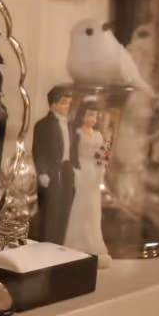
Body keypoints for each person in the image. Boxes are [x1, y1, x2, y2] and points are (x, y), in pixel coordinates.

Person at [64, 99, 111, 263]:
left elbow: (102, 154)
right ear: (82, 115)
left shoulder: (98, 135)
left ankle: (93, 242)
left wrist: (102, 165)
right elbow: (71, 153)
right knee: (80, 205)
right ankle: (75, 241)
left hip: (94, 173)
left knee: (93, 207)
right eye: (89, 115)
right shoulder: (76, 133)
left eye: (95, 116)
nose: (92, 119)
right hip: (81, 170)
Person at [32, 87, 74, 244]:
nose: (67, 107)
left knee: (64, 209)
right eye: (64, 104)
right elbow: (39, 150)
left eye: (69, 104)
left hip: (66, 170)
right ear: (53, 105)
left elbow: (72, 148)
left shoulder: (69, 125)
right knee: (50, 210)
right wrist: (42, 172)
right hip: (51, 172)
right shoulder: (42, 125)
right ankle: (46, 243)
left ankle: (59, 242)